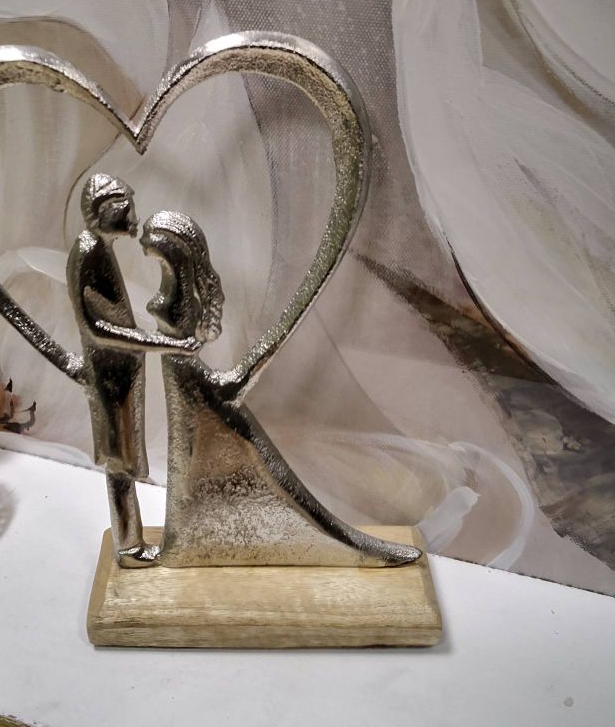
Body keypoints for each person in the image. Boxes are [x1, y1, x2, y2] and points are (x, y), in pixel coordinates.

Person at [94, 210, 422, 568]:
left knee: (236, 472)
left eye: (150, 242)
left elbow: (181, 337)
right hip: (184, 388)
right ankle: (185, 544)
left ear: (169, 246)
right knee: (195, 476)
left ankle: (190, 545)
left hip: (189, 388)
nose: (140, 239)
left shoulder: (180, 286)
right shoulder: (174, 281)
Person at [66, 175, 199, 567]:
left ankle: (131, 542)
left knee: (123, 461)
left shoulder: (98, 249)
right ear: (105, 211)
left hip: (122, 376)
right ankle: (128, 547)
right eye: (126, 210)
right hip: (110, 379)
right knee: (119, 464)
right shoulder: (88, 251)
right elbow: (96, 329)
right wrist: (165, 344)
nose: (134, 218)